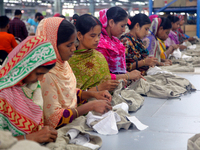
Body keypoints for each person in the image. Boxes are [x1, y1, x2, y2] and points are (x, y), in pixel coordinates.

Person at [36, 17, 112, 129]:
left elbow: (68, 92)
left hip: (73, 122)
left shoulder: (62, 64)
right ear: (52, 44)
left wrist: (93, 94)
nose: (73, 48)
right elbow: (53, 120)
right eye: (68, 45)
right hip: (58, 130)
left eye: (73, 43)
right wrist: (89, 106)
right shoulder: (46, 74)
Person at [0, 36, 58, 143]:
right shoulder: (3, 93)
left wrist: (42, 133)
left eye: (43, 74)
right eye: (38, 73)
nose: (40, 79)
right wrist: (31, 138)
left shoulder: (32, 87)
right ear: (24, 66)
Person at [68, 14, 120, 91]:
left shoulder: (99, 56)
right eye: (92, 36)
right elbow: (71, 94)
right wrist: (98, 89)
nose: (97, 39)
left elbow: (106, 79)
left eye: (98, 35)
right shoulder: (70, 61)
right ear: (79, 35)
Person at [96, 7, 142, 81]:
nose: (124, 30)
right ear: (111, 23)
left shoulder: (115, 42)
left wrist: (131, 75)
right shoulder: (100, 44)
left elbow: (120, 70)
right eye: (122, 26)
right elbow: (102, 76)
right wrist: (128, 76)